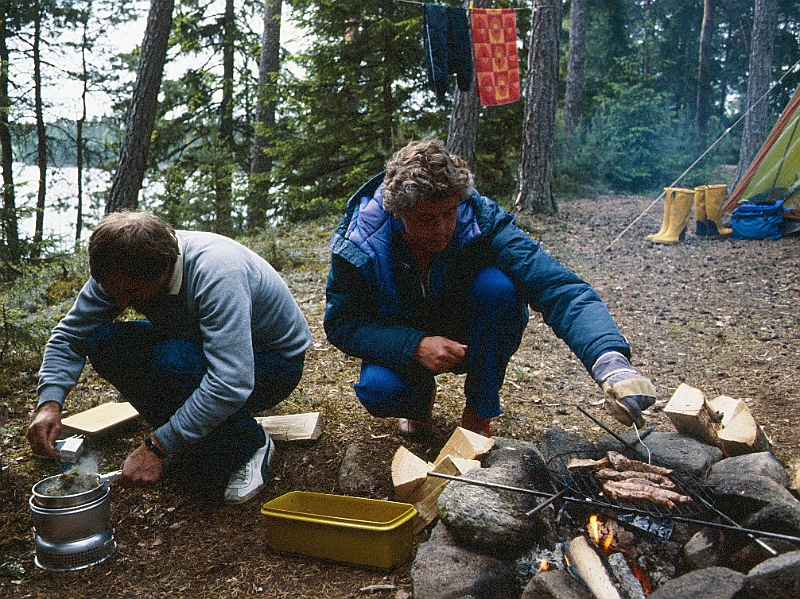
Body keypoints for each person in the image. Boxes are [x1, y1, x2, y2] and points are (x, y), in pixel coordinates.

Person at [324, 139, 655, 437]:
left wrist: (609, 359)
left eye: (449, 213)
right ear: (396, 212)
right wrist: (415, 345)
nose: (442, 229)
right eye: (427, 219)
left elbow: (558, 287)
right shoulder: (360, 242)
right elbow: (342, 324)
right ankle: (417, 404)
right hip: (401, 337)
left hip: (467, 332)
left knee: (499, 290)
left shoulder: (481, 221)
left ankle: (478, 413)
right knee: (381, 390)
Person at [27, 212, 312, 505]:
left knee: (172, 359)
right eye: (115, 292)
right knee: (104, 343)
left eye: (131, 292)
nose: (121, 302)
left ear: (164, 269)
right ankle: (194, 437)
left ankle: (250, 445)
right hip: (200, 343)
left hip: (270, 363)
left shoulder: (217, 273)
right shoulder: (120, 268)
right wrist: (49, 403)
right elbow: (70, 335)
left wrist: (157, 447)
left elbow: (231, 381)